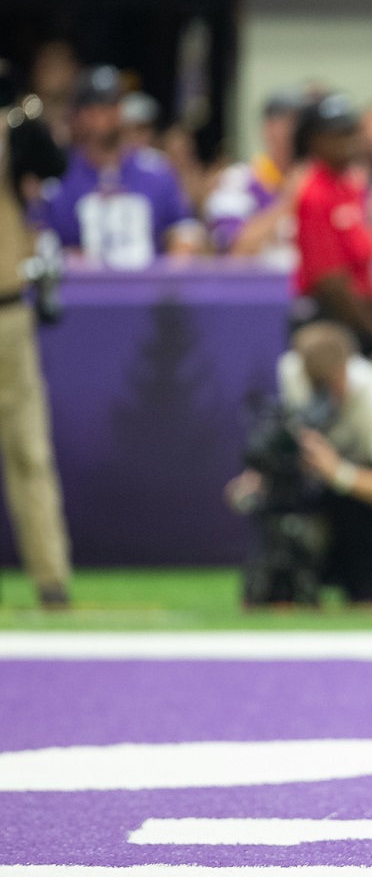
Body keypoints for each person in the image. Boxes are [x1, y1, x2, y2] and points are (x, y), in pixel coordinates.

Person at [227, 322, 372, 604]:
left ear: (347, 367)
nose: (325, 394)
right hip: (325, 492)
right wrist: (261, 476)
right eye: (316, 383)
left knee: (353, 512)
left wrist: (337, 473)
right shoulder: (292, 371)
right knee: (282, 507)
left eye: (331, 382)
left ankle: (368, 590)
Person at [0, 72, 72, 608]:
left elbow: (51, 164)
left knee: (29, 450)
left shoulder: (11, 130)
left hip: (7, 312)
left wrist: (22, 108)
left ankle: (51, 578)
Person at [46, 66, 203, 268]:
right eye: (94, 107)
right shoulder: (61, 175)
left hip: (150, 292)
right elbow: (46, 244)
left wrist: (170, 273)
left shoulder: (155, 170)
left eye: (112, 104)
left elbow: (185, 232)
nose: (105, 115)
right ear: (79, 114)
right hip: (85, 294)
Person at [291, 93, 372, 354]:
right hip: (331, 326)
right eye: (338, 135)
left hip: (356, 317)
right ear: (315, 141)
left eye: (351, 133)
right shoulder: (315, 194)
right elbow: (330, 280)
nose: (349, 142)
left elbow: (363, 263)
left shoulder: (351, 187)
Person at [206, 88, 303, 261]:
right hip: (256, 284)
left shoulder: (319, 181)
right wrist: (290, 201)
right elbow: (233, 248)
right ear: (268, 128)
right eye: (285, 123)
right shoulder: (237, 180)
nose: (292, 132)